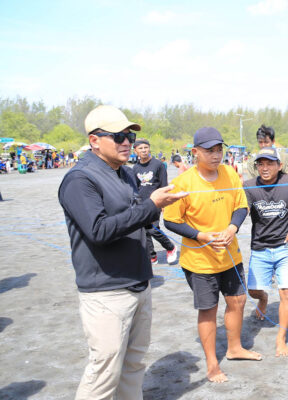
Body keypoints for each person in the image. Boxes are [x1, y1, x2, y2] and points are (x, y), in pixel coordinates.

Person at [58, 105, 187, 399]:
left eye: (128, 135)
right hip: (106, 290)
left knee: (134, 364)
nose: (127, 142)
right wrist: (150, 205)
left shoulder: (125, 174)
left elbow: (139, 217)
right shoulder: (80, 179)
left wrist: (158, 204)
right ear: (94, 140)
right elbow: (99, 231)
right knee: (105, 371)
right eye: (118, 136)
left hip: (140, 282)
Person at [163, 127, 261, 384]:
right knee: (208, 310)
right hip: (200, 261)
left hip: (230, 254)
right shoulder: (183, 184)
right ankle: (211, 364)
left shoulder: (229, 174)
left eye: (219, 150)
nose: (216, 155)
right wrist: (201, 236)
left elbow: (241, 206)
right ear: (195, 152)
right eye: (209, 151)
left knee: (237, 301)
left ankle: (235, 347)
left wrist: (232, 228)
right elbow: (170, 221)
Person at [244, 147, 288, 357]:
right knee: (252, 291)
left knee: (286, 292)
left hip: (285, 247)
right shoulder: (248, 186)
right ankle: (263, 299)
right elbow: (241, 211)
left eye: (269, 163)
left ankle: (280, 339)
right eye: (260, 164)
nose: (265, 168)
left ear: (279, 165)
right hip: (260, 247)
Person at [132, 138, 178, 264]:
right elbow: (135, 187)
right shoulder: (135, 168)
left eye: (145, 148)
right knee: (144, 230)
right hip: (141, 203)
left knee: (153, 228)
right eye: (140, 148)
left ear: (149, 148)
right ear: (135, 151)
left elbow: (164, 183)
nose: (143, 150)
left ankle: (171, 247)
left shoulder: (158, 165)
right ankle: (152, 255)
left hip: (156, 202)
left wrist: (165, 202)